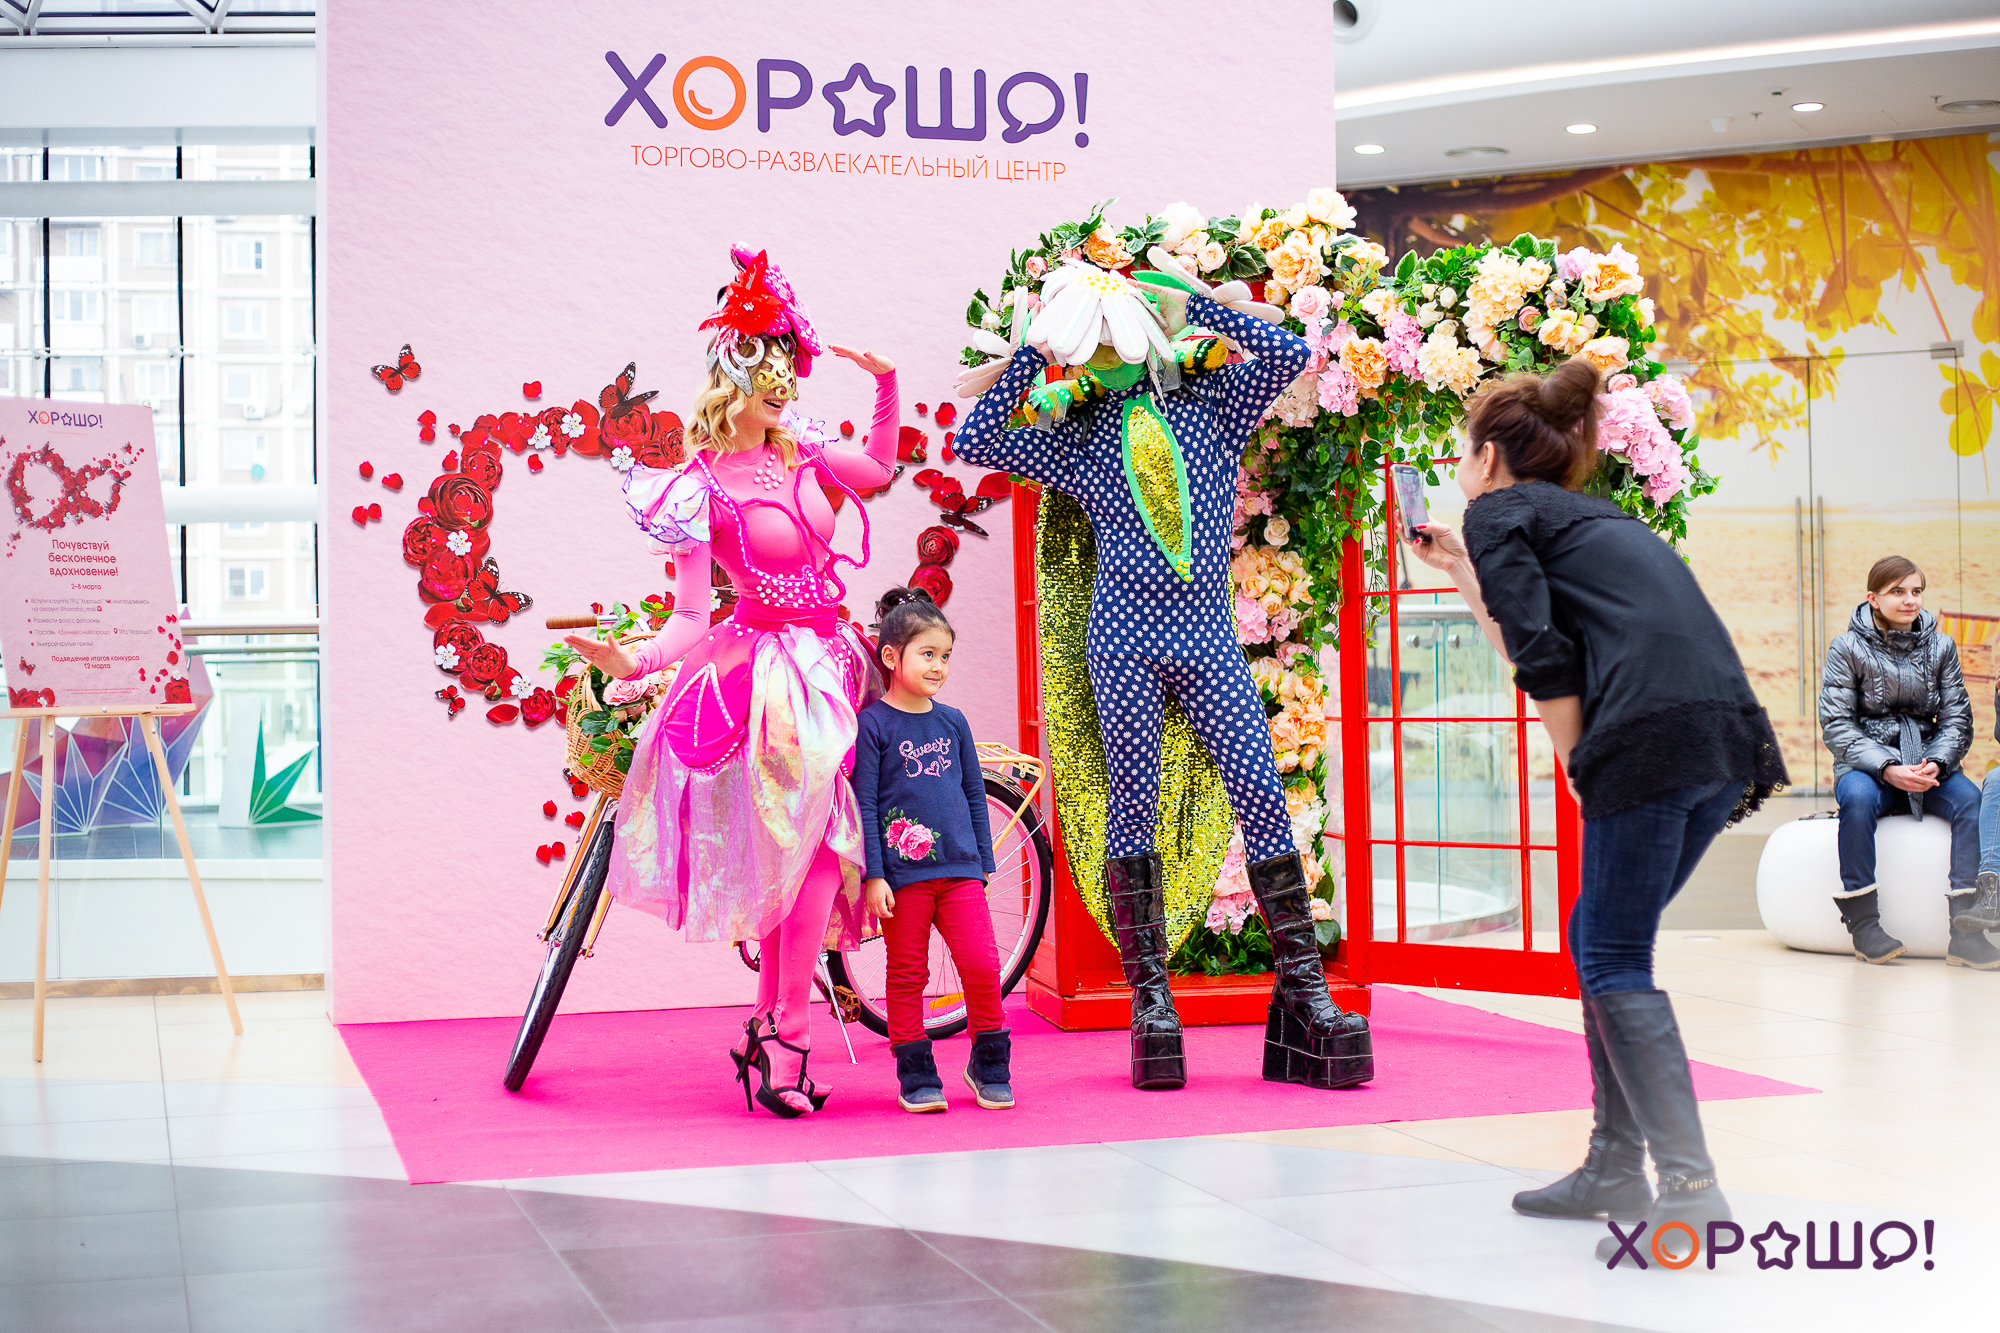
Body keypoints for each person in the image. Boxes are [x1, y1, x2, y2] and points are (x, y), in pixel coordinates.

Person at [954, 247, 1372, 1092]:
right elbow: (976, 437)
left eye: (1115, 334)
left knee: (1260, 792)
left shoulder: (1215, 401)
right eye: (1093, 341)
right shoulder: (1077, 436)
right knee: (1133, 806)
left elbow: (1291, 352)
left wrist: (1190, 299)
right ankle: (1151, 1002)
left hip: (1207, 637)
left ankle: (1304, 992)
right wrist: (1038, 345)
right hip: (1122, 641)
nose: (1107, 351)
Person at [1406, 357, 1787, 1266]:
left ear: (1488, 457)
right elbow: (1534, 628)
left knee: (1612, 954)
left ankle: (1692, 1190)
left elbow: (1542, 655)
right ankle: (1616, 1165)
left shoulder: (1497, 510)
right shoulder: (1591, 516)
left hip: (1651, 739)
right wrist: (1460, 569)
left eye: (1463, 451)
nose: (1462, 468)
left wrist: (1580, 760)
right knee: (1597, 936)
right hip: (1722, 737)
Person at [567, 246, 899, 1118]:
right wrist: (632, 662)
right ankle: (787, 1034)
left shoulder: (807, 452)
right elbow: (687, 617)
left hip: (835, 663)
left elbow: (879, 469)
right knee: (809, 854)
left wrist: (886, 383)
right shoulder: (698, 489)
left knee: (814, 855)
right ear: (732, 379)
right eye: (766, 371)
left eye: (787, 368)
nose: (783, 385)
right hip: (769, 683)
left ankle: (770, 1027)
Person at [852, 586, 1012, 1113]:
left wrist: (982, 861)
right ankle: (916, 1072)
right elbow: (865, 803)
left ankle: (989, 1063)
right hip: (903, 878)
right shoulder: (873, 725)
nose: (939, 666)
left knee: (982, 967)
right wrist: (875, 875)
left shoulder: (953, 722)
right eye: (927, 654)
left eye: (945, 656)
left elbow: (973, 792)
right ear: (891, 656)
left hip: (961, 870)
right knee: (907, 975)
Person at [1819, 556, 1994, 968]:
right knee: (1858, 800)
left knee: (1971, 801)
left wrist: (1938, 762)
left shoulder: (1942, 646)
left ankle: (1966, 935)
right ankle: (1864, 927)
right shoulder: (1846, 648)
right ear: (1873, 598)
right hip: (1867, 765)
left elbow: (1957, 719)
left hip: (1926, 760)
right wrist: (1887, 768)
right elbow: (1837, 724)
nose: (1909, 600)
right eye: (1897, 592)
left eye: (1916, 591)